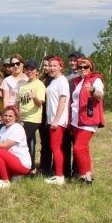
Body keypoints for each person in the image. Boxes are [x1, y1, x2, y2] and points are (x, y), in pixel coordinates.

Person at [68, 57, 105, 185]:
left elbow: (100, 95)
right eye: (80, 67)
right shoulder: (77, 81)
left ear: (90, 68)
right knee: (84, 149)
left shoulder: (95, 80)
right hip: (76, 121)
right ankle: (88, 175)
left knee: (78, 148)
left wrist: (93, 90)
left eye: (85, 67)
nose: (82, 69)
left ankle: (83, 176)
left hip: (88, 119)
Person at [0, 106, 33, 188]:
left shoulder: (17, 128)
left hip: (22, 163)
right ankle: (14, 175)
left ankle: (5, 181)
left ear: (16, 117)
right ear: (2, 117)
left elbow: (3, 147)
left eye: (10, 116)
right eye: (5, 115)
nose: (7, 118)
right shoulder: (3, 129)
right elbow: (3, 152)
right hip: (9, 161)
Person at [42, 56, 70, 184]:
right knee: (54, 147)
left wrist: (56, 120)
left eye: (55, 66)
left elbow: (62, 102)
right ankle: (58, 174)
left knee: (55, 147)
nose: (52, 68)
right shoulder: (53, 81)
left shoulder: (62, 81)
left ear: (61, 67)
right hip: (51, 119)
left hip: (57, 120)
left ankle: (59, 176)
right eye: (50, 66)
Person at [18, 59, 45, 174]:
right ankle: (30, 168)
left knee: (21, 141)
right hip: (22, 118)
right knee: (29, 142)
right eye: (27, 69)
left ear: (37, 71)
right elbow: (20, 102)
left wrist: (34, 97)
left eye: (32, 69)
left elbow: (39, 104)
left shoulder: (39, 85)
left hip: (33, 118)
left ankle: (30, 168)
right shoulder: (23, 84)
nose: (29, 71)